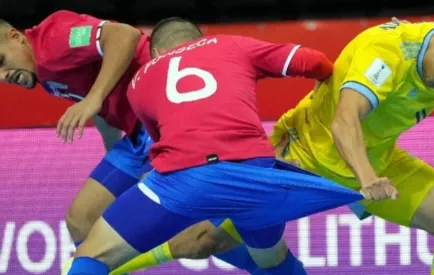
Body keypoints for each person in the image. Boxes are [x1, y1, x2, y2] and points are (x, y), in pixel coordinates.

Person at [65, 17, 363, 275]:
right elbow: (312, 61)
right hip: (255, 174)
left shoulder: (139, 82)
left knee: (91, 254)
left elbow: (161, 143)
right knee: (271, 262)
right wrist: (324, 91)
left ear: (155, 53)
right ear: (201, 39)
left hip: (182, 180)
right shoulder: (229, 44)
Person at [0, 10, 283, 275]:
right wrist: (110, 150)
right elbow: (100, 103)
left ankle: (275, 267)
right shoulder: (46, 73)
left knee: (197, 238)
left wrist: (93, 99)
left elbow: (123, 35)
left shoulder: (53, 38)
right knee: (81, 219)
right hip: (135, 133)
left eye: (1, 61)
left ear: (15, 36)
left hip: (165, 113)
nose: (4, 76)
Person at [268, 20, 434, 275]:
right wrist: (368, 178)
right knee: (211, 238)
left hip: (375, 156)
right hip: (306, 155)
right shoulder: (386, 54)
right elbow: (344, 121)